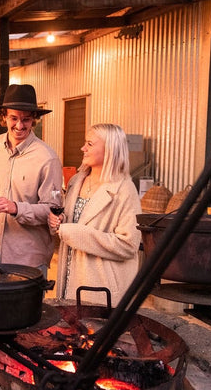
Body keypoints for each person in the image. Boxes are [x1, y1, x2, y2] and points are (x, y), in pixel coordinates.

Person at [48, 123, 141, 306]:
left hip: (100, 286)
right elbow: (75, 221)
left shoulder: (124, 190)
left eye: (89, 144)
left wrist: (70, 232)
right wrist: (60, 222)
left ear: (110, 149)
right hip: (70, 279)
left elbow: (129, 245)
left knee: (93, 332)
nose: (83, 148)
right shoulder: (76, 181)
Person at [0, 84, 63, 278]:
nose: (19, 126)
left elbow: (53, 210)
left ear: (34, 119)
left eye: (26, 119)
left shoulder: (47, 158)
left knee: (25, 309)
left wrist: (16, 208)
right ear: (3, 117)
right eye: (14, 118)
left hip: (27, 258)